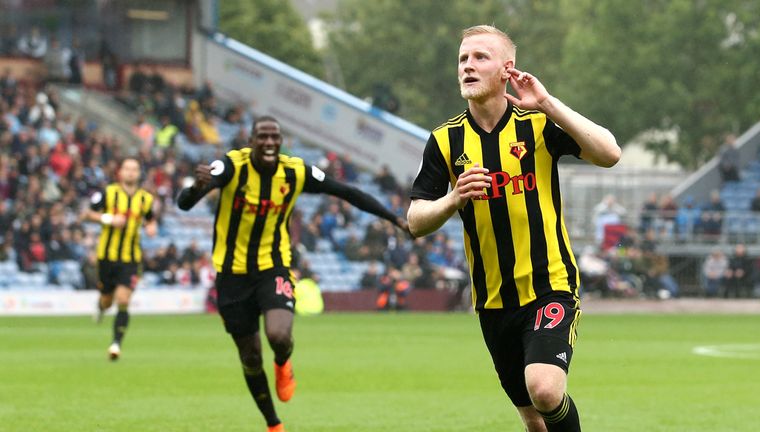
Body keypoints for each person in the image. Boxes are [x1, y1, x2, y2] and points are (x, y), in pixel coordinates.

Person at [407, 25, 620, 431]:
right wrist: (453, 199)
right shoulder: (445, 140)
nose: (468, 66)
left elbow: (609, 153)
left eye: (480, 57)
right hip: (492, 301)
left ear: (508, 69)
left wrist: (547, 103)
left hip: (548, 285)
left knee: (544, 389)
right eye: (463, 59)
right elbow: (415, 221)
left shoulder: (537, 125)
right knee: (534, 420)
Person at [177, 115, 409, 432]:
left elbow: (346, 192)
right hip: (231, 275)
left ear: (281, 141)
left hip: (273, 267)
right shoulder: (233, 166)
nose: (270, 143)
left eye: (275, 137)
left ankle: (284, 363)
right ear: (252, 141)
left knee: (279, 336)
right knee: (249, 356)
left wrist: (395, 219)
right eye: (263, 137)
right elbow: (186, 203)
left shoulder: (295, 171)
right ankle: (274, 424)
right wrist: (195, 189)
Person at [83, 157, 157, 360]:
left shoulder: (146, 199)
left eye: (134, 169)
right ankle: (100, 306)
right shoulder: (108, 193)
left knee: (123, 300)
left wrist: (151, 227)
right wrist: (108, 218)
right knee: (107, 301)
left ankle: (115, 344)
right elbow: (86, 214)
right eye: (127, 169)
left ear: (139, 173)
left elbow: (151, 220)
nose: (131, 172)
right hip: (107, 257)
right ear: (121, 172)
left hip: (131, 258)